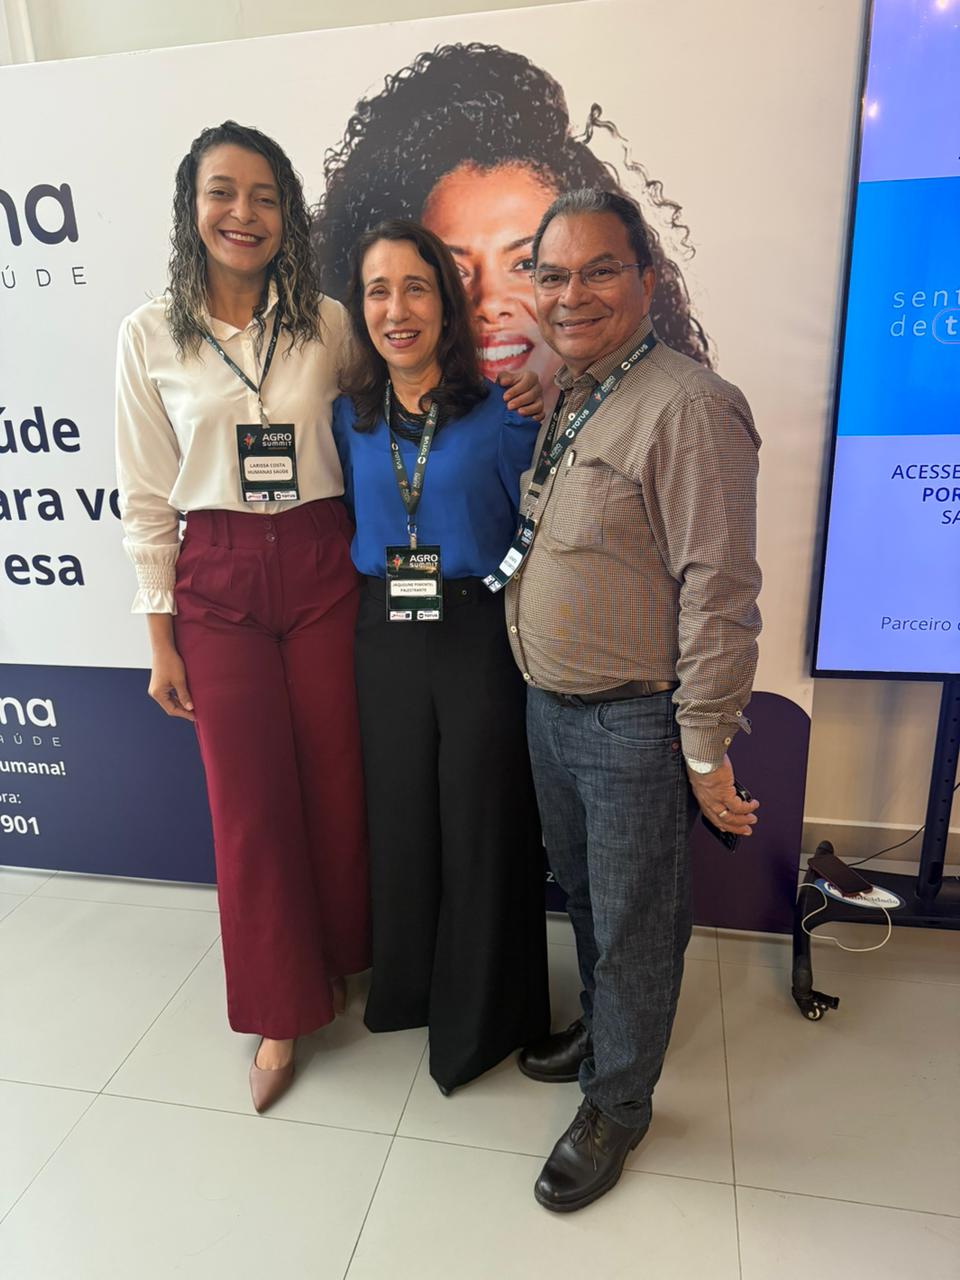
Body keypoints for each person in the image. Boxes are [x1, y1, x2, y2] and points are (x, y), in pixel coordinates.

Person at [498, 189, 762, 1212]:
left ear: (647, 280)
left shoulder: (689, 405)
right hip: (551, 707)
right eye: (552, 274)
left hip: (631, 722)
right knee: (583, 893)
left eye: (600, 270)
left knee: (637, 922)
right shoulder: (577, 389)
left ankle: (618, 1102)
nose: (572, 294)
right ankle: (607, 1035)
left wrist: (703, 749)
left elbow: (720, 589)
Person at [115, 121, 370, 1113]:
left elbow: (395, 413)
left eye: (265, 196)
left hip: (320, 559)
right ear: (192, 207)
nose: (244, 213)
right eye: (223, 192)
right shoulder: (149, 335)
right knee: (249, 802)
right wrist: (159, 639)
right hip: (216, 575)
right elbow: (147, 498)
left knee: (336, 778)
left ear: (287, 215)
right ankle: (277, 1009)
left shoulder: (328, 323)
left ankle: (340, 956)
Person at [332, 219, 551, 1094]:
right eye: (378, 291)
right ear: (361, 310)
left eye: (416, 288)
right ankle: (411, 988)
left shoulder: (502, 413)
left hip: (473, 630)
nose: (397, 309)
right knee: (401, 817)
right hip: (384, 630)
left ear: (446, 305)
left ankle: (482, 1018)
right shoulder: (347, 420)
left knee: (479, 821)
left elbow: (537, 526)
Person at [312, 42, 711, 410]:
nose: (489, 304)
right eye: (455, 269)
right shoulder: (382, 432)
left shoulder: (678, 409)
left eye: (526, 264)